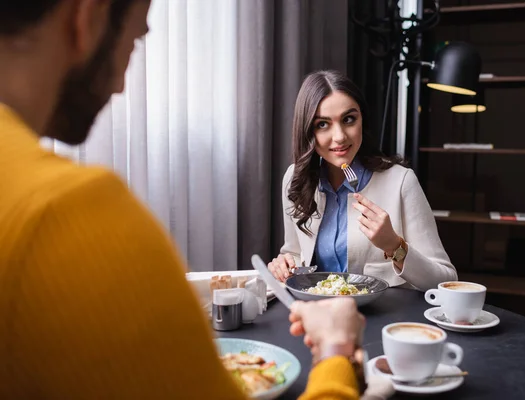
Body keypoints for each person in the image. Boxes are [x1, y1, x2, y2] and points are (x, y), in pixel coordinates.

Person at [0, 2, 365, 399]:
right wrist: (336, 351)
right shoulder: (71, 213)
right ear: (85, 17)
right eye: (136, 41)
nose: (121, 85)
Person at [268, 70, 457, 291]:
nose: (339, 136)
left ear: (362, 120)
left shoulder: (401, 182)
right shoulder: (295, 179)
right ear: (307, 130)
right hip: (315, 314)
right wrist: (284, 264)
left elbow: (444, 280)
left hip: (381, 319)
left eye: (349, 119)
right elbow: (294, 252)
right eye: (322, 124)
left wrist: (395, 246)